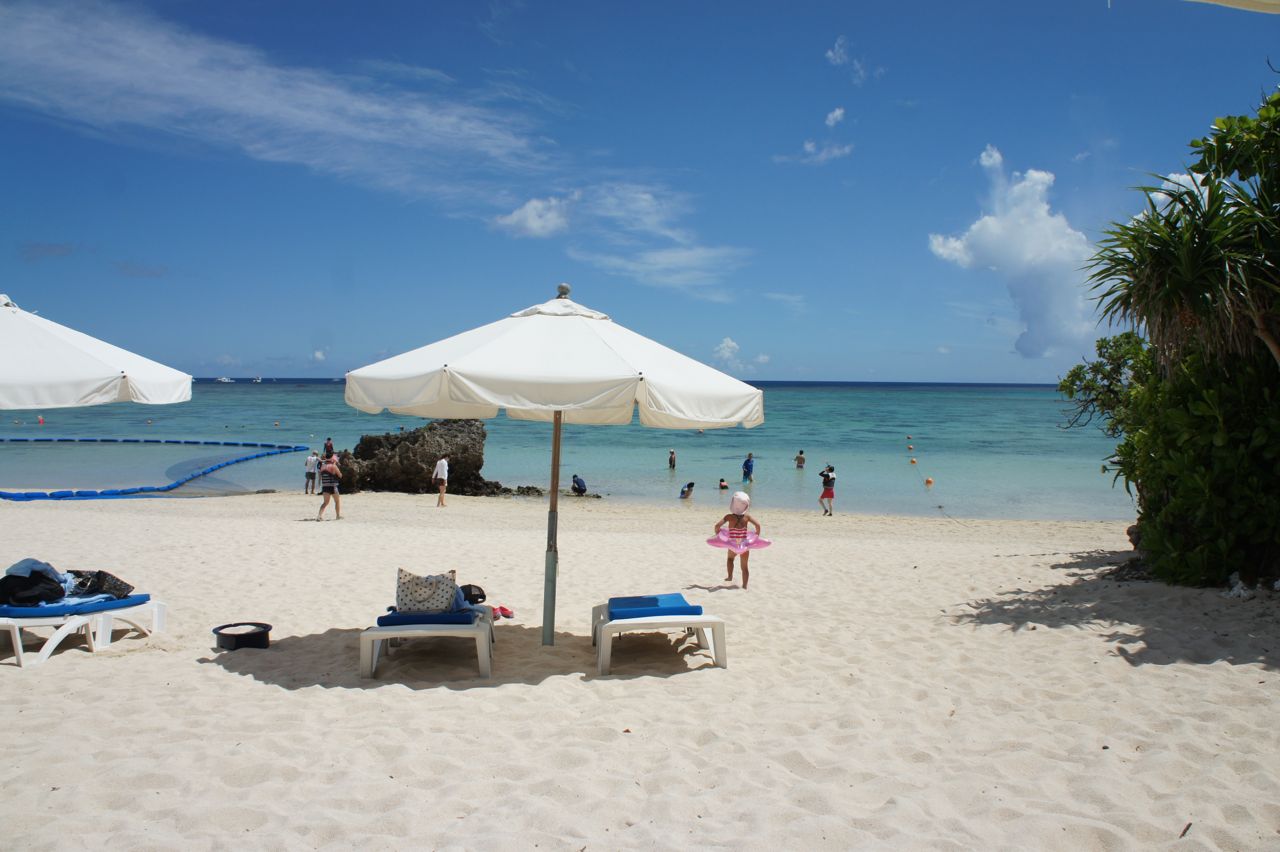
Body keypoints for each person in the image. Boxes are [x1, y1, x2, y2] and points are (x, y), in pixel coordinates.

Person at [715, 491, 762, 589]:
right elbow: (758, 525)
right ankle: (744, 586)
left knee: (730, 559)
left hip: (733, 544)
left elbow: (717, 526)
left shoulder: (729, 517)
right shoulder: (747, 517)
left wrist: (718, 535)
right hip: (744, 545)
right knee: (744, 567)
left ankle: (730, 576)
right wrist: (756, 536)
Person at [317, 453, 342, 520]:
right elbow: (340, 475)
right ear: (332, 458)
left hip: (325, 486)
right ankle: (338, 516)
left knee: (325, 502)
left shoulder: (322, 466)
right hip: (333, 486)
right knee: (337, 501)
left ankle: (319, 516)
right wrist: (335, 465)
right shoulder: (333, 466)